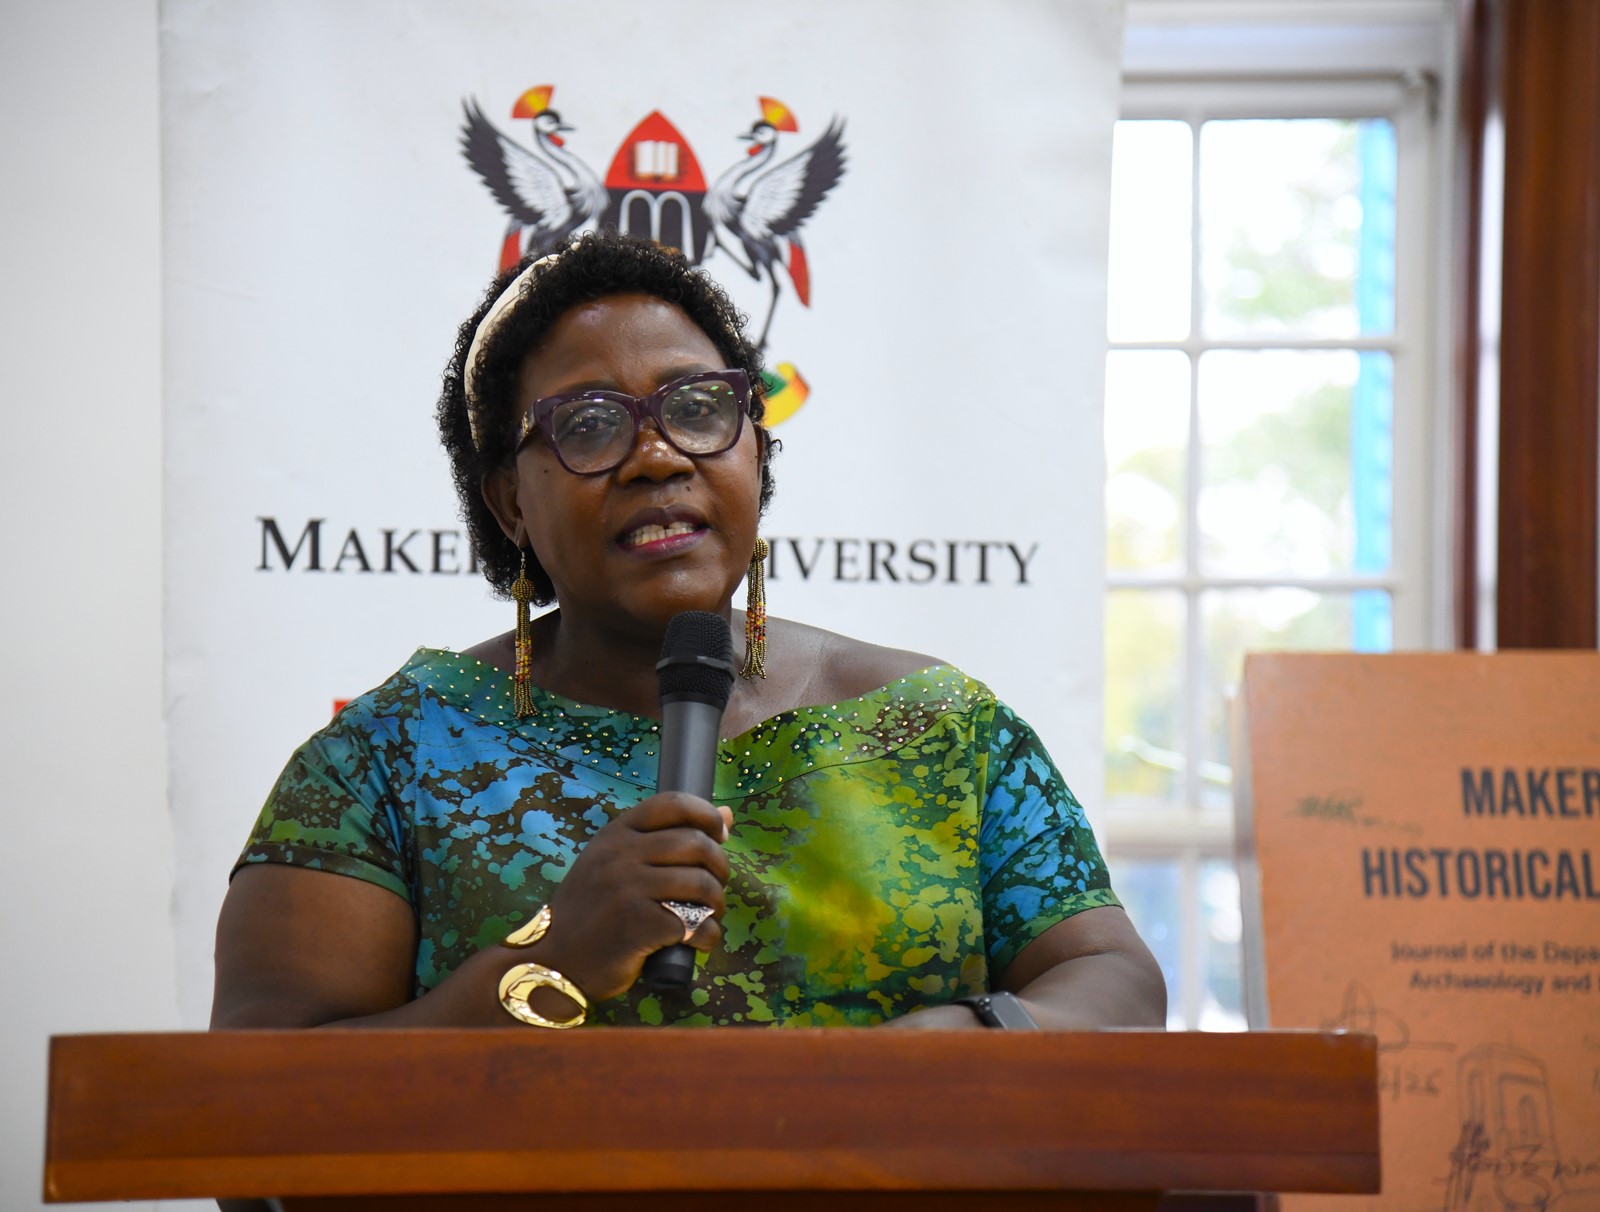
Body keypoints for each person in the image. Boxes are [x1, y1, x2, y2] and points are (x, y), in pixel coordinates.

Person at [211, 230, 1165, 1033]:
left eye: (699, 408)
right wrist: (552, 960)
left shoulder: (940, 728)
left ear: (756, 444)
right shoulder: (386, 758)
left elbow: (1115, 980)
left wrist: (981, 1035)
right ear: (508, 501)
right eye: (588, 426)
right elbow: (256, 1125)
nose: (656, 454)